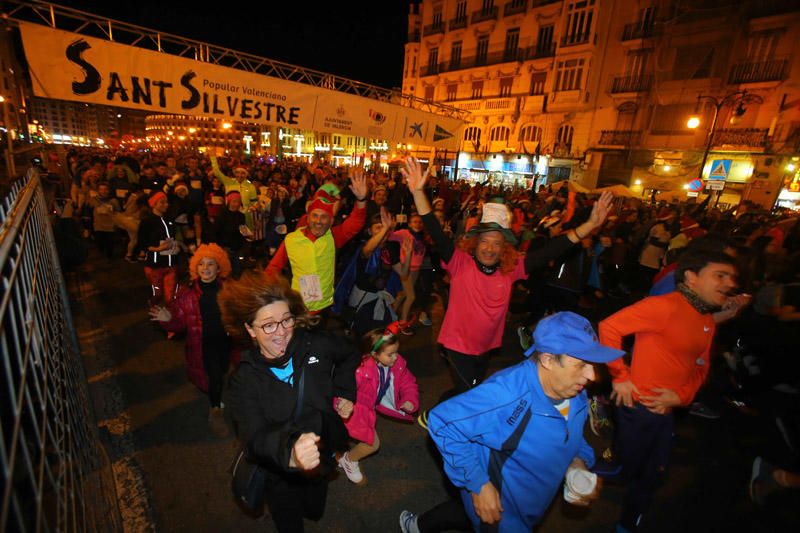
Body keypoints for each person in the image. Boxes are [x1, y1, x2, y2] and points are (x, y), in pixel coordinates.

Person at [400, 157, 613, 411]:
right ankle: (443, 423)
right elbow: (433, 229)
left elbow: (551, 250)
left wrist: (590, 225)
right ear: (475, 243)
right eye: (485, 241)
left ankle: (439, 413)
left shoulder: (511, 270)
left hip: (486, 347)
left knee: (471, 387)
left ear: (504, 248)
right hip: (457, 344)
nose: (490, 248)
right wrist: (417, 192)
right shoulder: (459, 262)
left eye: (497, 243)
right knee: (472, 394)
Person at [399, 312, 623, 533]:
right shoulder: (507, 395)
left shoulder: (575, 391)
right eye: (581, 364)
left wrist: (578, 461)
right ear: (548, 360)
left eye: (592, 364)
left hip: (532, 504)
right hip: (503, 515)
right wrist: (478, 485)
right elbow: (443, 422)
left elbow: (569, 431)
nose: (592, 375)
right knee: (472, 512)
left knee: (462, 513)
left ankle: (419, 525)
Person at [598, 247, 738, 532]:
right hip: (637, 408)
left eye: (731, 277)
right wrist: (619, 375)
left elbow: (701, 366)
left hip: (666, 412)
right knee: (624, 468)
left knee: (653, 476)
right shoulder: (664, 306)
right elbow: (608, 327)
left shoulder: (706, 318)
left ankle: (627, 524)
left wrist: (681, 396)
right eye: (720, 275)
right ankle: (573, 470)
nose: (729, 284)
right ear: (691, 277)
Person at [222, 272, 359, 532]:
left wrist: (346, 392)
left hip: (322, 454)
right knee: (288, 521)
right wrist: (290, 453)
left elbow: (350, 354)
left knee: (314, 508)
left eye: (286, 320)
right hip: (279, 473)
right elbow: (254, 438)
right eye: (268, 325)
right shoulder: (244, 379)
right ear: (250, 329)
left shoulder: (315, 345)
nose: (282, 332)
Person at [149, 244, 235, 436]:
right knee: (214, 375)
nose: (206, 268)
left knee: (221, 370)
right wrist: (168, 319)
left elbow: (239, 311)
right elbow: (179, 323)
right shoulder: (187, 295)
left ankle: (216, 394)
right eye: (201, 264)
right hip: (203, 343)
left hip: (226, 341)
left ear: (219, 267)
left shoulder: (229, 289)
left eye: (211, 264)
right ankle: (215, 409)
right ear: (195, 268)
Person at [266, 170, 368, 316]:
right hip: (298, 307)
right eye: (314, 215)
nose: (318, 221)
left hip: (324, 308)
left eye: (324, 217)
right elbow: (273, 268)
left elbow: (355, 223)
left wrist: (361, 200)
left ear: (331, 221)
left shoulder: (333, 236)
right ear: (308, 218)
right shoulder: (291, 239)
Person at [338, 323, 419, 485]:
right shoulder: (359, 370)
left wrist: (409, 399)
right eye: (390, 354)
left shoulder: (396, 362)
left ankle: (337, 450)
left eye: (396, 352)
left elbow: (407, 381)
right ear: (374, 354)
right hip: (357, 410)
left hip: (369, 406)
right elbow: (341, 389)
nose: (395, 357)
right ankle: (349, 460)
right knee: (372, 445)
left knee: (343, 436)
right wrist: (342, 404)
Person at [137, 191, 179, 307]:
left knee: (170, 295)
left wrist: (179, 246)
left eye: (166, 202)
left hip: (171, 264)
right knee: (157, 293)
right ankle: (153, 308)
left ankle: (170, 319)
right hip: (155, 266)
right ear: (154, 204)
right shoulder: (147, 222)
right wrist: (157, 249)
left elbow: (173, 238)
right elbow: (142, 243)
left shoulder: (169, 219)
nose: (166, 204)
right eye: (162, 202)